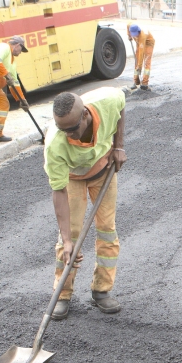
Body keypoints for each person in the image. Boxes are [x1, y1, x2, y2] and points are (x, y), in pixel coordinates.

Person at [44, 88, 126, 320]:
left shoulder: (108, 101)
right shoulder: (55, 144)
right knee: (70, 236)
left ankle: (102, 290)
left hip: (103, 171)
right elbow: (58, 191)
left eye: (72, 129)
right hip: (73, 179)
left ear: (86, 116)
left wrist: (118, 146)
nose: (68, 135)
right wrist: (69, 240)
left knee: (107, 230)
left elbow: (121, 108)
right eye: (63, 130)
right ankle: (62, 295)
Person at [127, 23, 155, 89]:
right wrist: (129, 35)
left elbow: (141, 54)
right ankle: (136, 82)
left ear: (138, 31)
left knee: (146, 62)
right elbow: (127, 25)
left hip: (149, 43)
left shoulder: (142, 36)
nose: (134, 36)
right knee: (136, 61)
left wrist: (139, 66)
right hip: (138, 42)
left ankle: (145, 83)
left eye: (135, 34)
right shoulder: (130, 25)